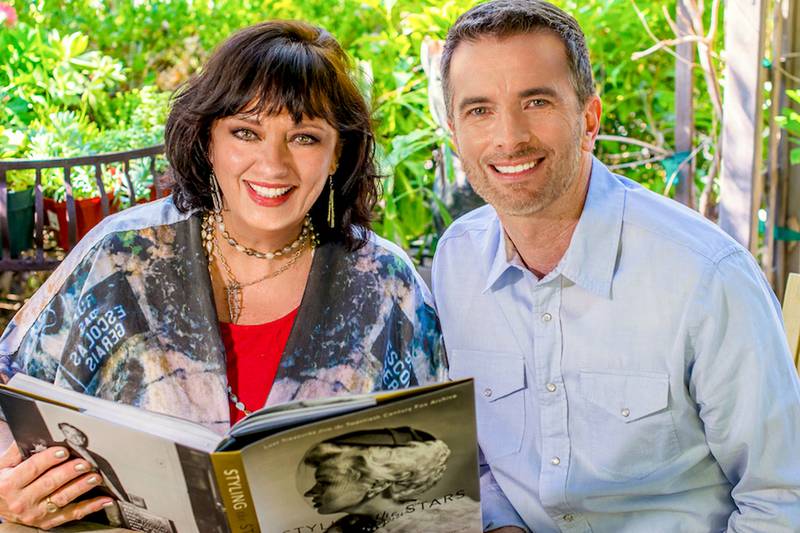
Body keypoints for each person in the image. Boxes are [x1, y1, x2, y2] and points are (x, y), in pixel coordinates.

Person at [0, 20, 445, 530]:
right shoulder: (120, 254)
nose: (273, 164)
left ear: (338, 152)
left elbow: (434, 486)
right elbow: (8, 387)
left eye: (303, 137)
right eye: (245, 132)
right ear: (207, 139)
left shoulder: (387, 283)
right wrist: (7, 487)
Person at [432, 1, 800, 531]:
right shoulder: (456, 263)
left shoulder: (705, 276)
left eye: (535, 101)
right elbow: (479, 458)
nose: (508, 136)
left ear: (589, 119)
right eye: (479, 110)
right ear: (454, 132)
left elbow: (782, 498)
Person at [301, 427, 480, 532]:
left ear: (379, 482)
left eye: (325, 482)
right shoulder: (347, 528)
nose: (310, 492)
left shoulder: (454, 522)